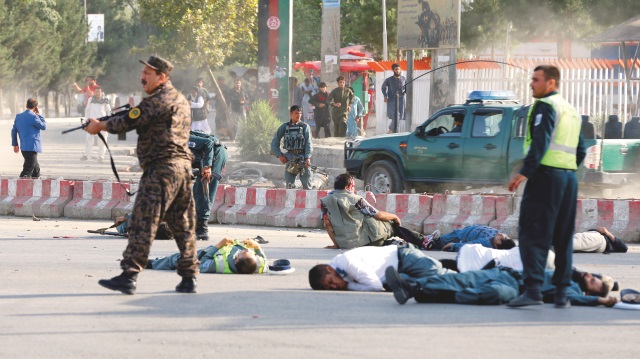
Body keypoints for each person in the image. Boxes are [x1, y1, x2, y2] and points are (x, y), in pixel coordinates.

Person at [85, 55, 199, 295]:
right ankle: (189, 277)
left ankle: (129, 275)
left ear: (162, 77)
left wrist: (100, 126)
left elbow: (127, 121)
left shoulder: (157, 101)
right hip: (182, 170)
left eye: (149, 72)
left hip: (161, 170)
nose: (142, 76)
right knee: (183, 225)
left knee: (142, 222)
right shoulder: (181, 100)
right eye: (143, 72)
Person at [507, 65, 586, 308]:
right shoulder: (571, 110)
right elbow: (581, 149)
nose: (531, 84)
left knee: (533, 233)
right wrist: (567, 169)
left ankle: (533, 290)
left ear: (550, 83)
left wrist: (524, 173)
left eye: (536, 80)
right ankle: (562, 294)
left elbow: (540, 143)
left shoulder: (545, 106)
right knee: (563, 236)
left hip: (545, 177)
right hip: (568, 179)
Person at [385, 264, 617, 307]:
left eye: (594, 281)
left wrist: (601, 301)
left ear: (590, 291)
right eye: (595, 275)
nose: (590, 276)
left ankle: (418, 292)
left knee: (486, 293)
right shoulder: (570, 272)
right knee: (456, 279)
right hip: (504, 273)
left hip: (513, 288)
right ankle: (413, 285)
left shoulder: (573, 290)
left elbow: (576, 300)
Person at [320, 173, 438, 250]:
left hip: (346, 244)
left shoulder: (325, 202)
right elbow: (379, 215)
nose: (354, 189)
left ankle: (393, 244)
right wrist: (394, 216)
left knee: (372, 231)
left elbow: (328, 225)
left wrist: (337, 244)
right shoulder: (356, 199)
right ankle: (422, 241)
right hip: (362, 240)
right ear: (347, 187)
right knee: (391, 225)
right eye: (353, 186)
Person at [308, 243, 454, 291]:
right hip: (398, 272)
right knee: (432, 286)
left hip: (405, 258)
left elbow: (375, 286)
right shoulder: (338, 270)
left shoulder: (347, 262)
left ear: (330, 269)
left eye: (330, 282)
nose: (334, 287)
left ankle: (469, 270)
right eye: (329, 288)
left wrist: (348, 285)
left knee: (445, 277)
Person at [189, 130, 228, 240]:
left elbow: (208, 143)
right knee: (197, 191)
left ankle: (202, 230)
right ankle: (195, 226)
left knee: (205, 190)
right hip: (204, 158)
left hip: (216, 154)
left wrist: (207, 166)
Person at [149, 238, 267, 274]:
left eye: (243, 253)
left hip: (208, 254)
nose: (246, 250)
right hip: (224, 248)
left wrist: (219, 245)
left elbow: (202, 262)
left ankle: (150, 263)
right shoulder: (257, 263)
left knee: (176, 259)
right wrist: (256, 246)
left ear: (236, 261)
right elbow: (264, 261)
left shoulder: (219, 265)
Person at [270, 105, 313, 189]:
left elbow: (309, 143)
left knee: (307, 184)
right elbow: (274, 143)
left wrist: (307, 157)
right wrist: (280, 155)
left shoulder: (305, 127)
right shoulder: (284, 127)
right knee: (289, 185)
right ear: (291, 114)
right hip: (290, 157)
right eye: (296, 113)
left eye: (300, 113)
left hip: (302, 157)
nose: (299, 115)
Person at [11, 98, 46, 178]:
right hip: (32, 147)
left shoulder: (18, 116)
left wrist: (15, 144)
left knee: (35, 169)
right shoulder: (34, 117)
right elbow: (43, 126)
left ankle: (36, 187)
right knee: (27, 170)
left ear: (26, 105)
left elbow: (13, 131)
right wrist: (39, 115)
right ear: (36, 107)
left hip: (24, 147)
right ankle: (20, 187)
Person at [426, 225, 516, 252]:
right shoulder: (498, 236)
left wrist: (453, 245)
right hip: (462, 231)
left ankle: (423, 242)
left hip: (458, 238)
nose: (500, 234)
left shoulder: (486, 244)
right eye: (504, 236)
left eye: (500, 238)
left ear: (496, 247)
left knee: (437, 242)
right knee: (435, 241)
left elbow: (468, 246)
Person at [81, 86, 111, 162]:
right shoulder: (91, 99)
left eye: (99, 91)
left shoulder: (105, 100)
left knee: (102, 140)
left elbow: (109, 111)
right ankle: (86, 155)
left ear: (101, 92)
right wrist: (86, 120)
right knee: (89, 139)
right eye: (96, 91)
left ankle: (101, 156)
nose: (97, 93)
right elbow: (87, 110)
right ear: (94, 92)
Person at [381, 63, 406, 133]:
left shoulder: (403, 79)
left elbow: (407, 89)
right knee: (395, 116)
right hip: (392, 100)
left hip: (401, 100)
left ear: (400, 70)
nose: (397, 71)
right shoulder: (389, 80)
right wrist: (385, 96)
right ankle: (391, 130)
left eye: (398, 69)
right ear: (393, 70)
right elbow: (383, 88)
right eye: (396, 69)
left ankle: (392, 131)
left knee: (400, 116)